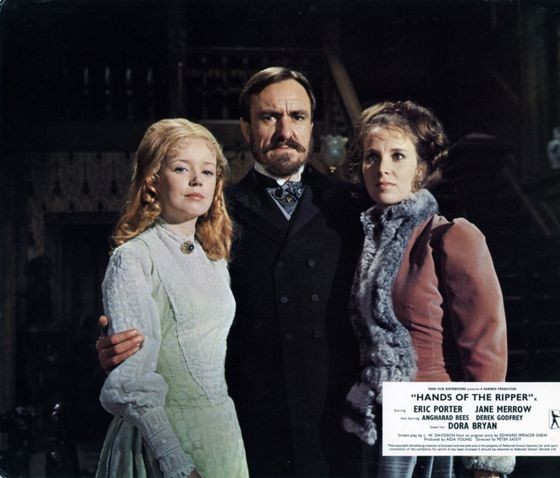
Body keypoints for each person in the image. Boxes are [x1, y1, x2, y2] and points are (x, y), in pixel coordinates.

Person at [97, 68, 363, 477]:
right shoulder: (214, 213)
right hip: (251, 426)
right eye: (269, 117)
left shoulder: (352, 206)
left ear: (313, 126)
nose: (285, 131)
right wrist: (117, 345)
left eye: (298, 116)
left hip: (335, 422)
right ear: (246, 127)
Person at [341, 101, 515, 478]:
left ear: (420, 168)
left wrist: (487, 455)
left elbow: (485, 349)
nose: (382, 168)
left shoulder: (451, 236)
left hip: (432, 422)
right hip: (378, 423)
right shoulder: (366, 246)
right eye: (372, 157)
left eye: (398, 155)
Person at [95, 118, 248, 478]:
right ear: (153, 180)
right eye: (181, 168)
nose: (197, 180)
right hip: (163, 440)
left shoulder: (214, 260)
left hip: (220, 432)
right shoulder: (134, 258)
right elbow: (134, 379)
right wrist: (175, 462)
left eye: (207, 171)